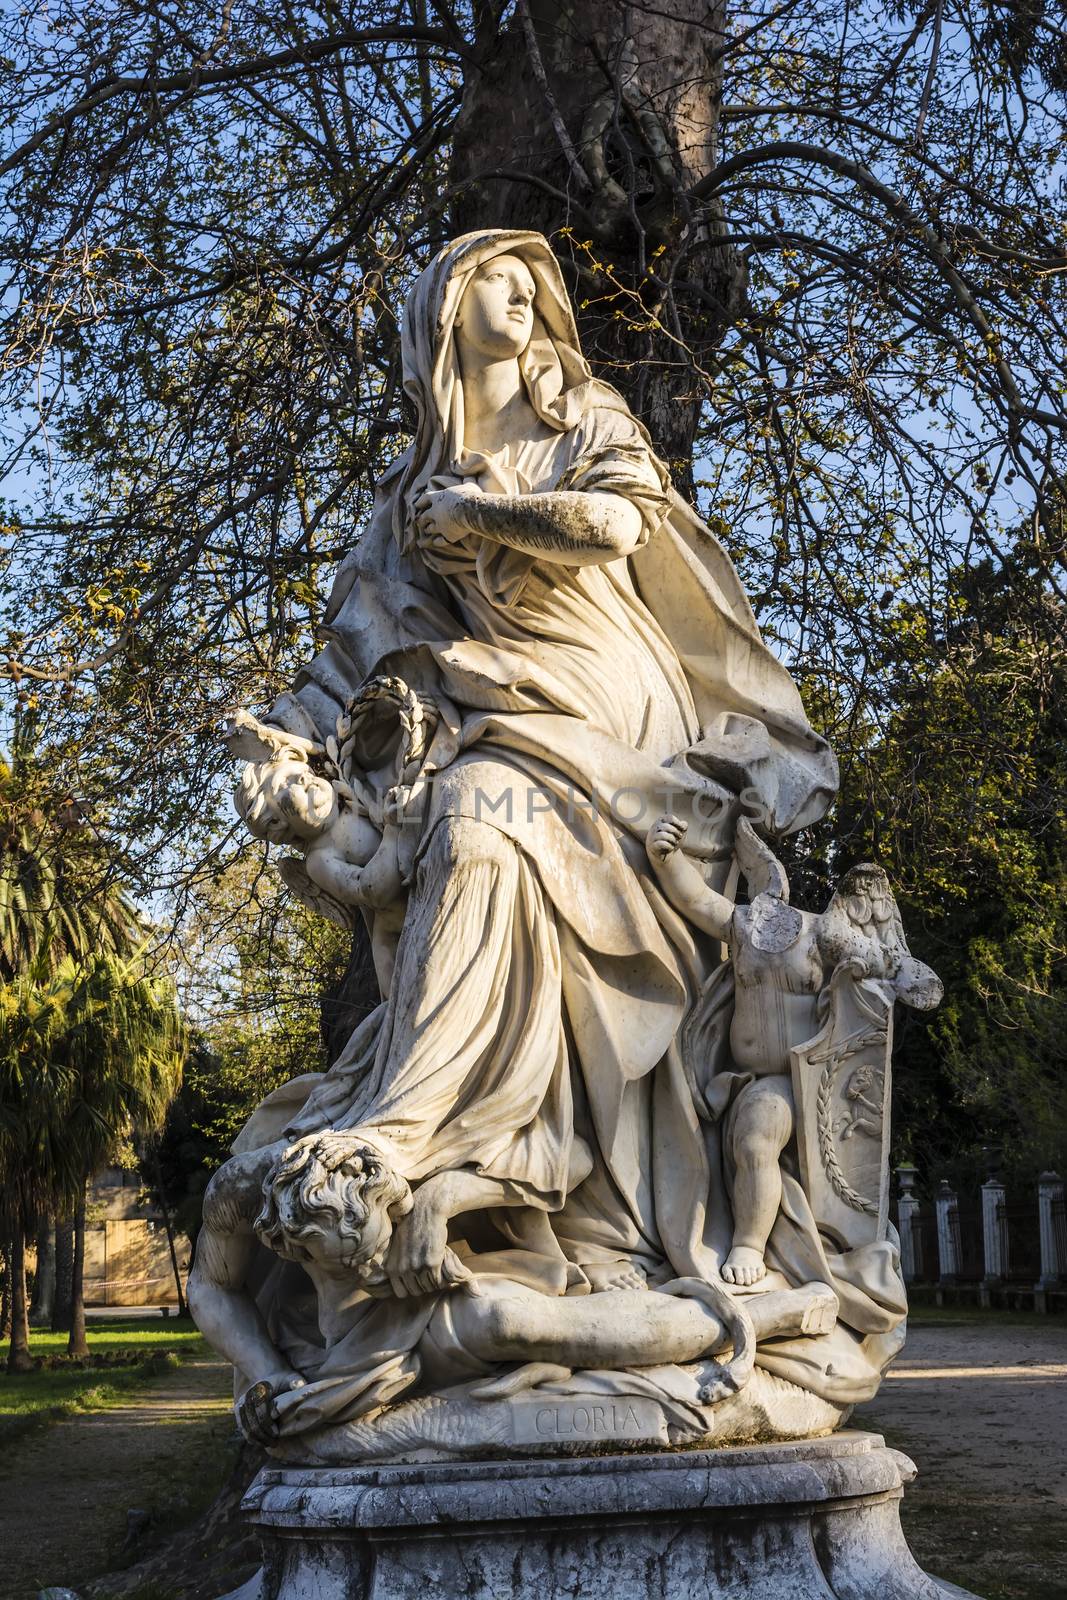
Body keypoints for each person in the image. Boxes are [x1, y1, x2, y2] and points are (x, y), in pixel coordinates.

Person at [251, 229, 838, 1307]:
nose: (520, 298)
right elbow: (359, 648)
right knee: (465, 821)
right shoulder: (407, 495)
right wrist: (285, 750)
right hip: (500, 694)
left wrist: (481, 513)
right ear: (440, 310)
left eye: (531, 287)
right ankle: (511, 1171)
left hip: (615, 697)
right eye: (494, 282)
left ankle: (413, 1132)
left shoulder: (582, 416)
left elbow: (614, 524)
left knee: (475, 810)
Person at [187, 1131, 839, 1444]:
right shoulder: (241, 1191)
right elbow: (212, 1289)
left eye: (381, 1242)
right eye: (351, 1261)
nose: (377, 1265)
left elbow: (567, 1155)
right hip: (320, 1343)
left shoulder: (398, 1153)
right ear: (290, 1245)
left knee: (506, 1320)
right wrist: (267, 1371)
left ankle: (771, 1312)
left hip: (430, 1309)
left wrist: (444, 1196)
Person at [646, 812, 942, 1287]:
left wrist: (884, 964)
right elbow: (695, 898)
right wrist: (667, 855)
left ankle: (748, 1244)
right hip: (740, 1080)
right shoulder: (743, 927)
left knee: (757, 1135)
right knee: (731, 1136)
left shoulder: (824, 934)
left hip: (799, 1080)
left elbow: (913, 981)